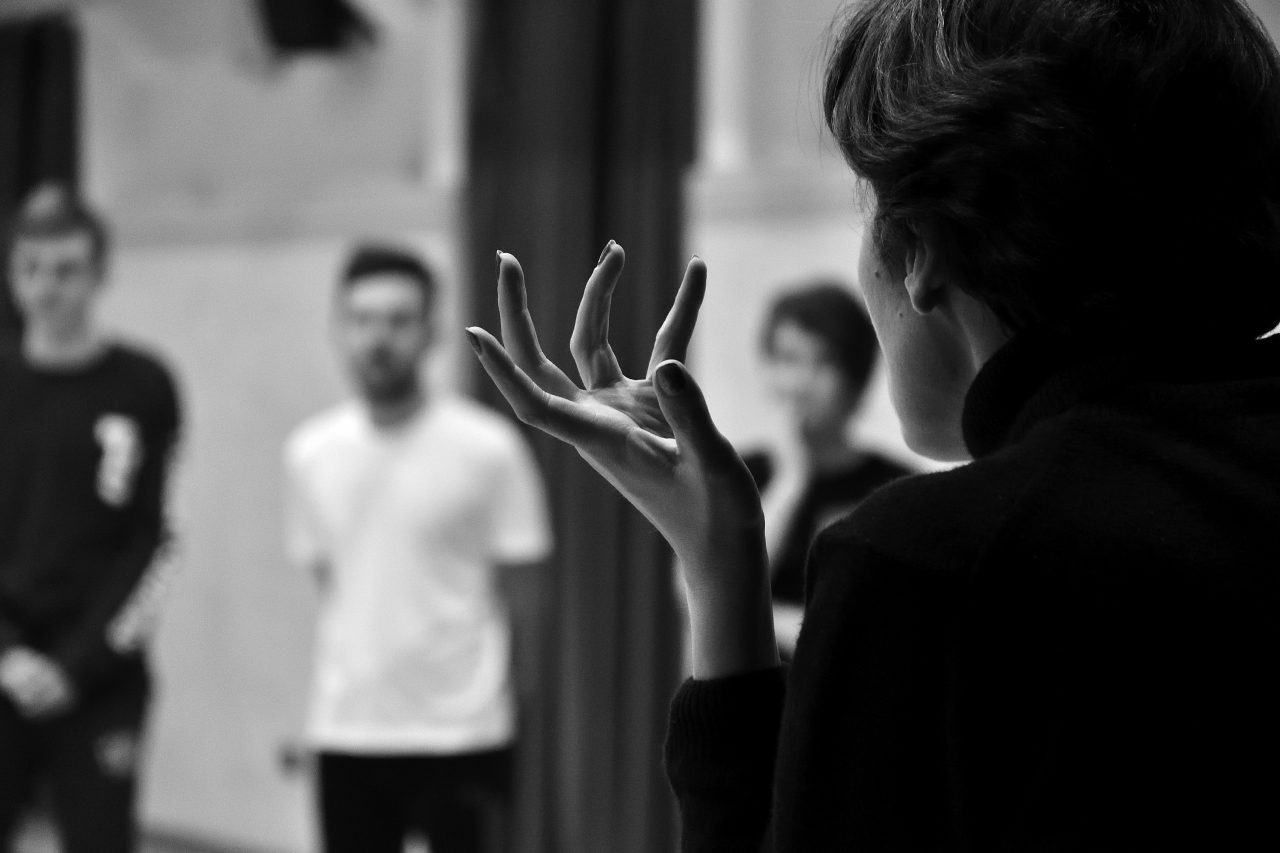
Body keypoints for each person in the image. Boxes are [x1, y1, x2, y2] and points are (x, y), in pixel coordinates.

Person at [464, 0, 1280, 849]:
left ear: (920, 250)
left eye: (871, 209)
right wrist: (723, 556)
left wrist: (726, 578)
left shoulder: (930, 558)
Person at [284, 245, 552, 853]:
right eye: (363, 319)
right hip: (348, 730)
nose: (379, 338)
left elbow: (528, 598)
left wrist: (513, 708)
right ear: (338, 330)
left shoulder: (489, 449)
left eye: (399, 320)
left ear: (431, 330)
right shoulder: (309, 454)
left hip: (463, 734)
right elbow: (330, 583)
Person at [0, 184, 181, 853]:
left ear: (100, 274)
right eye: (32, 269)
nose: (48, 288)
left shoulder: (143, 385)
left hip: (101, 676)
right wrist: (8, 654)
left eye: (67, 269)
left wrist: (76, 666)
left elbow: (156, 542)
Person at [749, 282, 910, 657]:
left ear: (856, 380)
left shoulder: (893, 486)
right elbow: (706, 597)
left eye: (822, 362)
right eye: (787, 359)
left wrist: (773, 623)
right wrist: (790, 483)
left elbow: (887, 622)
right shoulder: (738, 472)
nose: (800, 382)